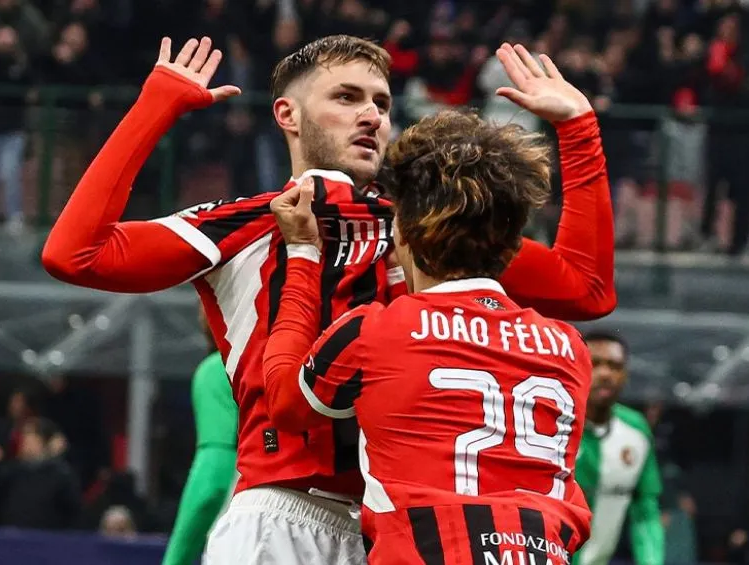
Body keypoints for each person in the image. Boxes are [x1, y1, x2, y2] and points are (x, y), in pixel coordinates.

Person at [42, 35, 614, 564]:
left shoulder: (429, 231)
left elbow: (586, 288)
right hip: (283, 515)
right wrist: (157, 107)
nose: (372, 115)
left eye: (382, 104)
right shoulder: (244, 224)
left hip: (399, 531)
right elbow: (75, 254)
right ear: (286, 115)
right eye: (347, 97)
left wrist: (578, 128)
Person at [260, 45, 598, 564]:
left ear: (403, 234)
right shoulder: (569, 348)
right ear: (514, 248)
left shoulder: (375, 331)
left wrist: (303, 255)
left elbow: (285, 404)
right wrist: (579, 127)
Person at [575, 331, 664, 565]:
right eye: (594, 364)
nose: (605, 374)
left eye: (614, 366)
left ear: (625, 375)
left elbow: (645, 512)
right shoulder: (548, 425)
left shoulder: (636, 431)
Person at [162, 310, 240, 565]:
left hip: (244, 537)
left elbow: (212, 483)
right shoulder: (301, 366)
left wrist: (175, 560)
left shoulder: (218, 371)